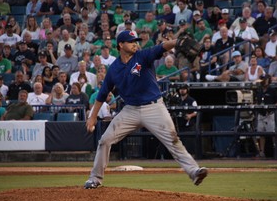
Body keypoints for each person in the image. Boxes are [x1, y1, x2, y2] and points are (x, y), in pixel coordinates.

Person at [84, 30, 208, 189]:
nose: (135, 43)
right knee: (105, 140)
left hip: (154, 107)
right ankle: (95, 178)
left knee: (173, 140)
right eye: (131, 41)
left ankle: (194, 171)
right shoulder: (114, 69)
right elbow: (102, 95)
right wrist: (93, 117)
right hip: (130, 110)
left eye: (136, 40)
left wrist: (176, 42)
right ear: (121, 45)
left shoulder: (142, 56)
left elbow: (161, 47)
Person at [255, 74, 277, 158]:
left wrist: (272, 109)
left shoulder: (272, 90)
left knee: (273, 133)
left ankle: (276, 151)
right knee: (261, 134)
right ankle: (262, 152)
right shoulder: (259, 90)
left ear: (268, 80)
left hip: (270, 114)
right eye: (262, 79)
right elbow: (256, 102)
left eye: (264, 79)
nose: (263, 81)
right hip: (261, 114)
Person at [177, 84, 198, 155]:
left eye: (184, 89)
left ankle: (192, 155)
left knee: (189, 142)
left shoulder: (191, 100)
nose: (182, 90)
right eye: (181, 89)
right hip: (178, 123)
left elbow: (196, 111)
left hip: (188, 124)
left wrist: (190, 115)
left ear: (187, 90)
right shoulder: (177, 100)